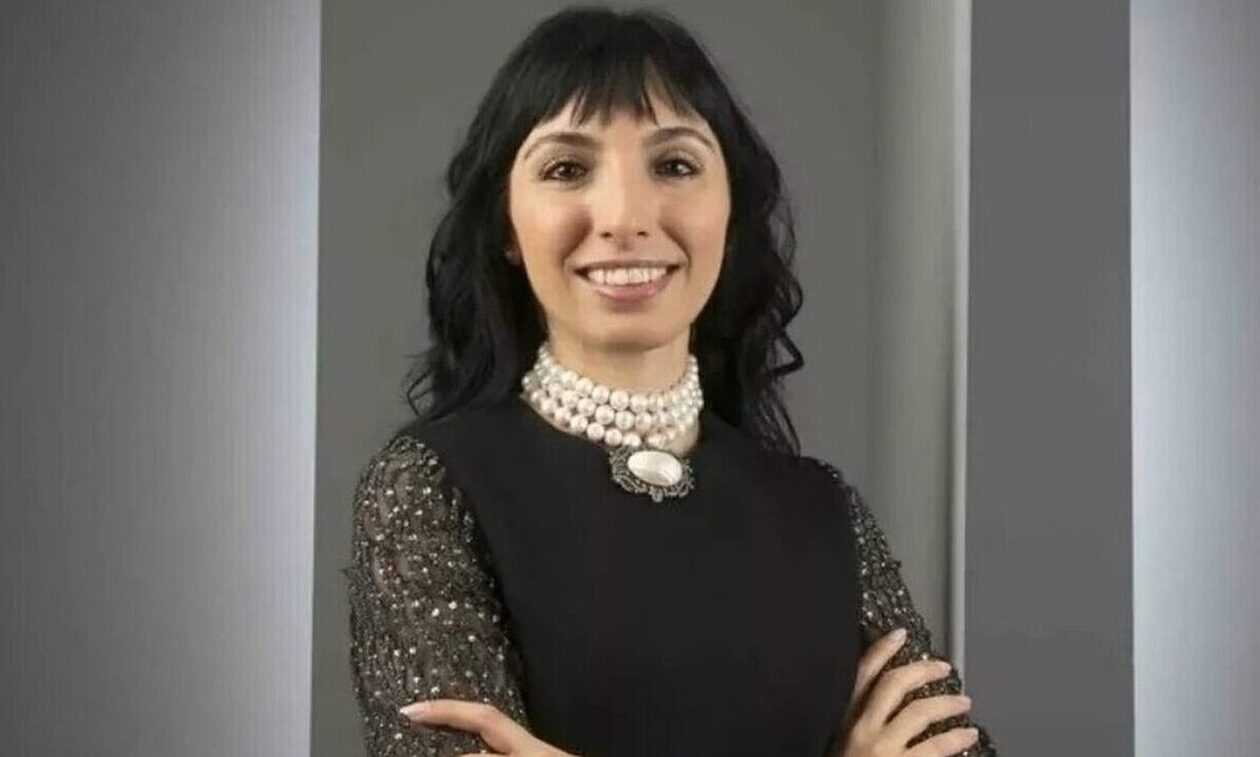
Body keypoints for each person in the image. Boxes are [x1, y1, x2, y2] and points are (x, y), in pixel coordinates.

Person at [343, 5, 997, 756]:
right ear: (505, 229)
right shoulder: (427, 488)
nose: (625, 217)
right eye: (567, 169)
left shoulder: (823, 511)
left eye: (675, 166)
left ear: (730, 212)